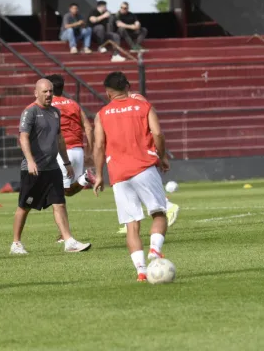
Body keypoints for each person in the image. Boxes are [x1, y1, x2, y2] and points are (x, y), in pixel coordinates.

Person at [92, 72, 169, 282]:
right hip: (144, 167)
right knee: (159, 213)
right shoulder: (144, 107)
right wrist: (161, 157)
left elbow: (98, 145)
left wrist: (99, 175)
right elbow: (158, 134)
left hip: (118, 174)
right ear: (128, 86)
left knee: (131, 224)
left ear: (108, 92)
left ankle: (141, 271)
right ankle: (154, 250)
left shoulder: (102, 114)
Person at [10, 78, 92, 255]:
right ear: (36, 93)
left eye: (50, 91)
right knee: (25, 206)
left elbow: (59, 138)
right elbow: (23, 138)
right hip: (33, 169)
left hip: (52, 167)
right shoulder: (30, 112)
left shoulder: (55, 112)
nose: (49, 95)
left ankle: (69, 241)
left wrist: (66, 162)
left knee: (59, 203)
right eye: (45, 91)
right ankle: (16, 243)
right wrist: (30, 160)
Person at [116, 90, 180, 234]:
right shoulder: (130, 102)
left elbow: (150, 126)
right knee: (134, 185)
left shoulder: (135, 100)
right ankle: (129, 223)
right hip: (137, 150)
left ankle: (169, 206)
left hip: (141, 151)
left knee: (140, 184)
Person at [48, 74, 96, 197]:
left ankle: (85, 178)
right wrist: (89, 152)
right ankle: (85, 178)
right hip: (77, 150)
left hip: (61, 151)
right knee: (68, 191)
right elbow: (89, 128)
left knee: (58, 192)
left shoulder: (47, 106)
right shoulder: (73, 104)